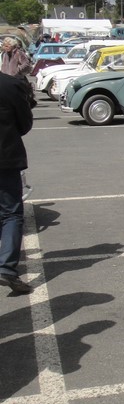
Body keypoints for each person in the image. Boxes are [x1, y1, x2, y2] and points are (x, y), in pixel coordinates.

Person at [0, 71, 34, 295]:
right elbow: (24, 123)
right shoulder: (10, 85)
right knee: (11, 214)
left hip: (7, 159)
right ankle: (7, 268)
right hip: (6, 158)